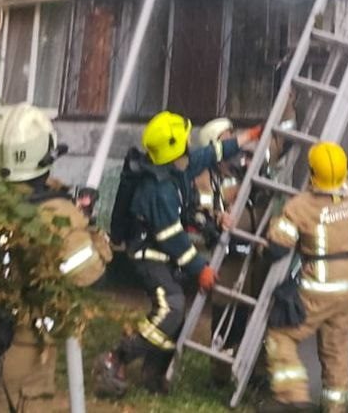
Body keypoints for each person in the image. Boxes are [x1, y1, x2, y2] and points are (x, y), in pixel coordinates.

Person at [0, 104, 110, 413]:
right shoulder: (56, 215)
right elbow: (90, 278)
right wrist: (87, 231)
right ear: (45, 158)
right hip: (21, 353)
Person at [94, 111, 261, 398]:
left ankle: (153, 375)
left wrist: (248, 136)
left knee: (174, 320)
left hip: (163, 254)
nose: (189, 142)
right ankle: (117, 357)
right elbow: (171, 238)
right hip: (149, 256)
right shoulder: (158, 190)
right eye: (185, 138)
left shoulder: (176, 166)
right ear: (176, 147)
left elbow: (212, 153)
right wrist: (200, 268)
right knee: (171, 308)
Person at [263, 141, 348, 413]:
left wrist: (273, 226)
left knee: (281, 336)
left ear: (312, 172)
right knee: (337, 350)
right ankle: (335, 407)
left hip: (318, 288)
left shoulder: (301, 206)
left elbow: (277, 247)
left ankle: (293, 397)